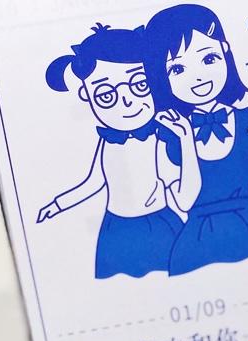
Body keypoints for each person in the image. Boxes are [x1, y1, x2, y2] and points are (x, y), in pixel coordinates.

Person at [144, 4, 248, 276]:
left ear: (225, 52)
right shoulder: (170, 136)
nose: (198, 76)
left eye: (209, 59)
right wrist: (186, 140)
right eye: (178, 69)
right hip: (198, 245)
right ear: (161, 76)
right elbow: (184, 203)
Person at [37, 23, 200, 279]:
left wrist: (186, 141)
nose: (126, 101)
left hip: (158, 224)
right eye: (106, 95)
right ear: (86, 95)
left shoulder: (159, 136)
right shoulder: (108, 141)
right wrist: (57, 205)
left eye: (139, 85)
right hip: (115, 228)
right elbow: (94, 182)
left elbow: (184, 197)